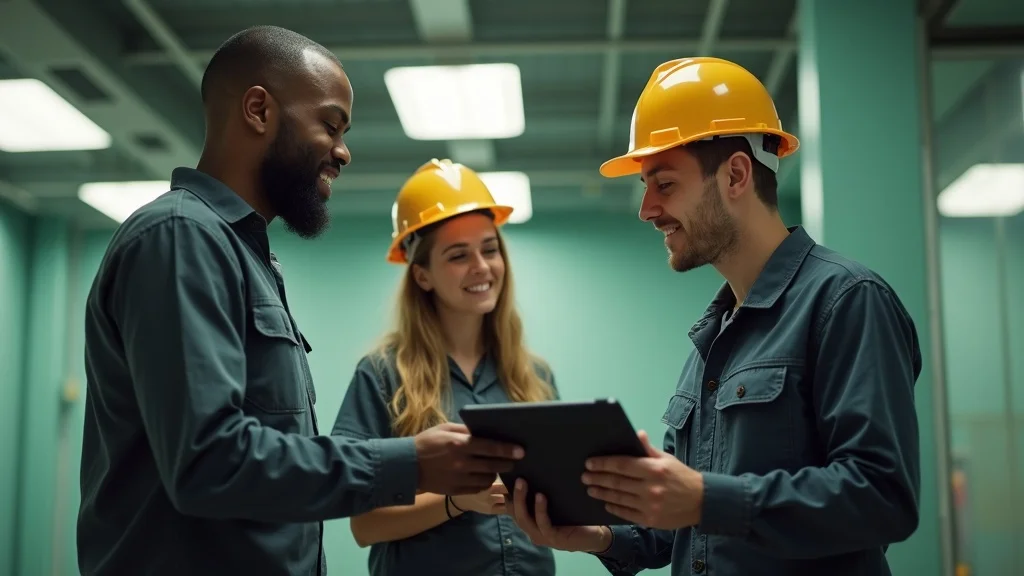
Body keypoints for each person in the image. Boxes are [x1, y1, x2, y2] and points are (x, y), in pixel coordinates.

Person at [76, 28, 524, 576]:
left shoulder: (248, 258)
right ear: (259, 110)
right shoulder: (179, 237)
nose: (343, 151)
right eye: (330, 125)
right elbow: (209, 463)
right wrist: (411, 462)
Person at [509, 56, 923, 575]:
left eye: (664, 184)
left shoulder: (846, 301)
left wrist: (707, 498)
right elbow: (676, 525)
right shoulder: (714, 339)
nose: (646, 209)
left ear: (735, 175)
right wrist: (597, 535)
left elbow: (883, 496)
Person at [331, 158, 560, 576]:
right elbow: (364, 525)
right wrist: (456, 501)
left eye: (490, 249)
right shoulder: (382, 375)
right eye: (458, 255)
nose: (481, 267)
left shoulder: (535, 376)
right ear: (422, 276)